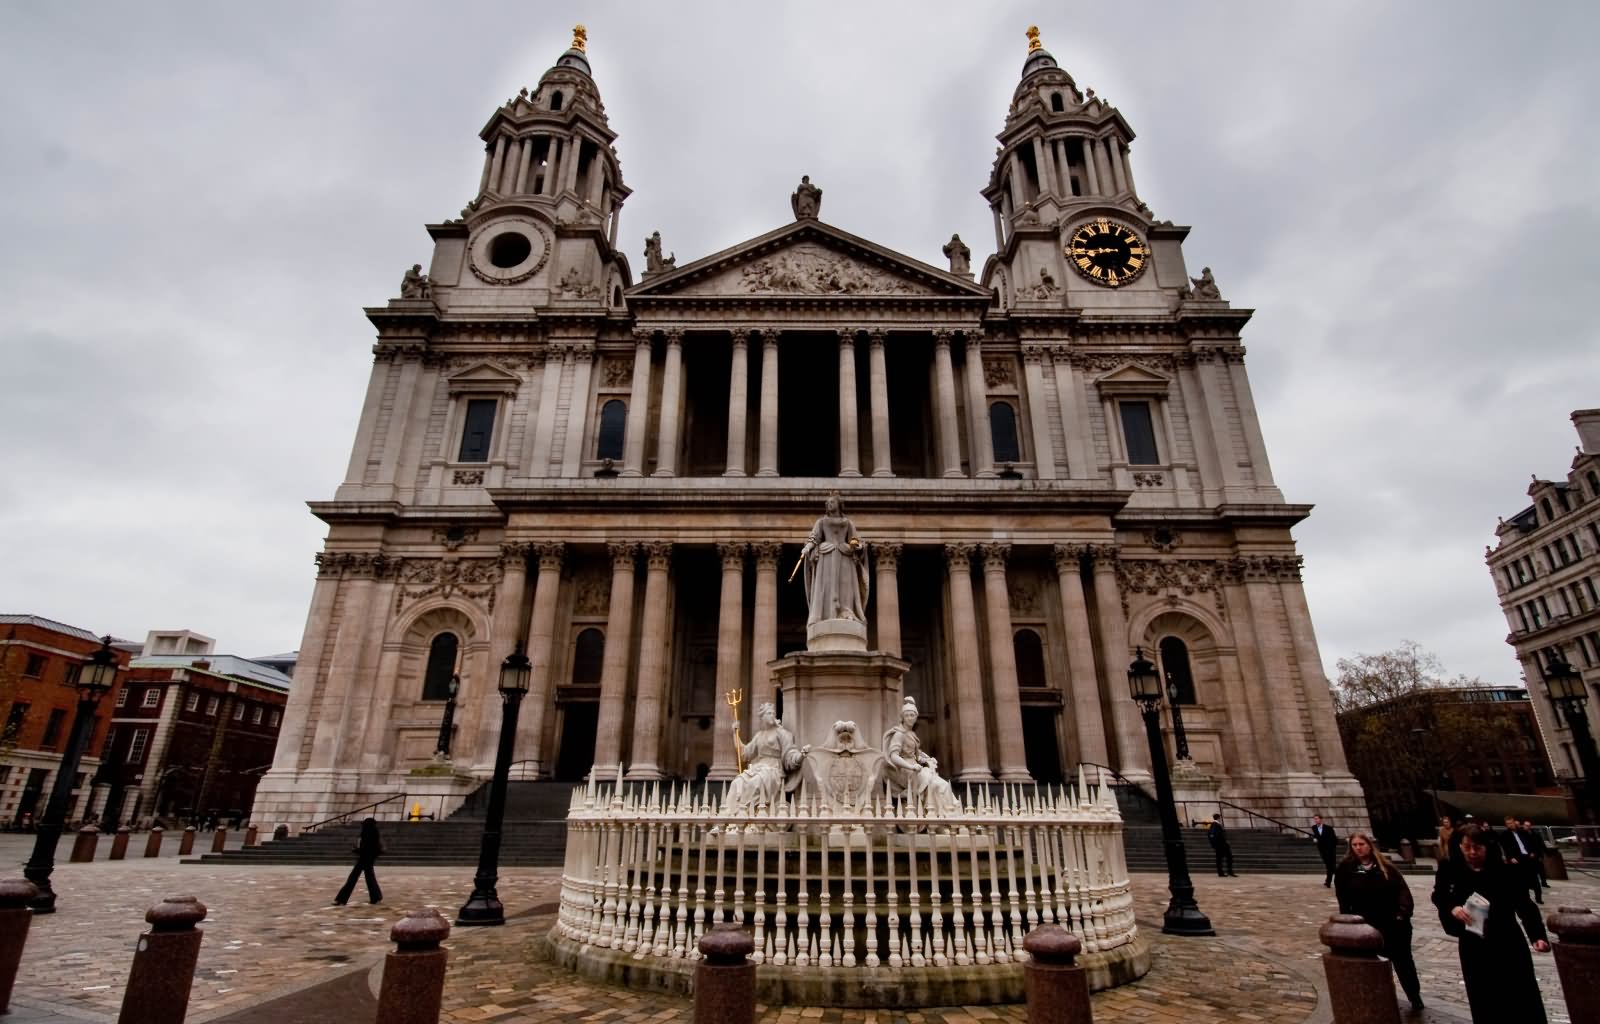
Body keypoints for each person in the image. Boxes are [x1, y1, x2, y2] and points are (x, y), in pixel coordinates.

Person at [1431, 823, 1549, 1021]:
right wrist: (1453, 907)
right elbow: (1439, 895)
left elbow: (1524, 905)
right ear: (1458, 847)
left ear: (1487, 847)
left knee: (1522, 993)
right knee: (1483, 996)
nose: (1472, 852)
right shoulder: (1449, 869)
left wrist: (1537, 936)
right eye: (1466, 847)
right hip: (1474, 941)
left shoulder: (1504, 870)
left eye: (1477, 848)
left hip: (1507, 939)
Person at [1335, 832, 1422, 1012]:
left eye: (1362, 844)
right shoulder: (1346, 869)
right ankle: (1380, 998)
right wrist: (1350, 924)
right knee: (1373, 966)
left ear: (1370, 845)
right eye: (1355, 845)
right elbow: (1343, 899)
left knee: (1404, 963)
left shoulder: (1386, 867)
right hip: (1367, 927)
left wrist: (1402, 915)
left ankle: (1415, 997)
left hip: (1394, 925)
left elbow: (1402, 891)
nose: (1358, 848)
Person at [723, 703, 808, 816]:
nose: (772, 715)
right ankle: (728, 816)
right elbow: (745, 754)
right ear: (762, 717)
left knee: (755, 783)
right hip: (759, 768)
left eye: (773, 713)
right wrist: (735, 733)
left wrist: (800, 756)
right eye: (769, 713)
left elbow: (790, 753)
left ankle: (743, 814)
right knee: (736, 782)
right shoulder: (759, 735)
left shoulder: (782, 733)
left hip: (773, 770)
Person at [881, 697, 961, 816]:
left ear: (916, 717)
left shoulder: (912, 733)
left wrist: (927, 760)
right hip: (905, 770)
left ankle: (948, 815)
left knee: (942, 784)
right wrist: (911, 767)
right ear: (902, 717)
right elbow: (893, 756)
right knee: (936, 784)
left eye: (912, 715)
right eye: (907, 715)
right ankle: (939, 814)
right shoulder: (899, 734)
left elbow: (916, 755)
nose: (909, 718)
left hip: (915, 768)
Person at [800, 494, 869, 626]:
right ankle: (825, 614)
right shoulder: (821, 522)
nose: (829, 504)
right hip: (826, 556)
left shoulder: (848, 523)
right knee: (825, 585)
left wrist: (858, 546)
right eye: (827, 503)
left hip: (845, 554)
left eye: (832, 502)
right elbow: (814, 538)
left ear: (839, 504)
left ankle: (846, 611)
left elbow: (855, 540)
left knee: (846, 585)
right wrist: (808, 547)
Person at [334, 817, 384, 905]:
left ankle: (341, 899)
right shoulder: (373, 832)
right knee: (369, 879)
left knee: (353, 879)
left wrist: (357, 850)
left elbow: (366, 847)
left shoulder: (367, 832)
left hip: (364, 858)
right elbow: (372, 847)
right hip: (368, 858)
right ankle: (376, 897)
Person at [1499, 815, 1543, 905]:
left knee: (1535, 879)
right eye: (1508, 824)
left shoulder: (1523, 832)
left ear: (1514, 822)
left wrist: (1533, 852)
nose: (1510, 825)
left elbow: (1532, 842)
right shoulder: (1505, 835)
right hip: (1517, 859)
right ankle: (1526, 899)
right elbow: (1505, 848)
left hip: (1528, 857)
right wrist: (1510, 858)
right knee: (1522, 881)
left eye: (1511, 823)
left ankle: (1538, 897)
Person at [1522, 820, 1550, 891]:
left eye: (1528, 825)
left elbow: (1540, 844)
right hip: (1528, 856)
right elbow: (1523, 846)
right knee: (1531, 872)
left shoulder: (1535, 834)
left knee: (1541, 870)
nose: (1526, 827)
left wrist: (1542, 854)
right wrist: (1529, 853)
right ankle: (1532, 885)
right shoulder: (1522, 834)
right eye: (1525, 825)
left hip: (1537, 855)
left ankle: (1544, 882)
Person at [1311, 814, 1339, 887]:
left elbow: (1334, 839)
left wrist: (1331, 848)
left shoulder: (1328, 828)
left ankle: (1328, 882)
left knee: (1330, 866)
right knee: (1329, 866)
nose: (1316, 820)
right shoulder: (1314, 828)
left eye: (1317, 819)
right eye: (1315, 819)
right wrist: (1315, 839)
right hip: (1322, 850)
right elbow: (1317, 836)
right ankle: (1335, 879)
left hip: (1330, 850)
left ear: (1321, 819)